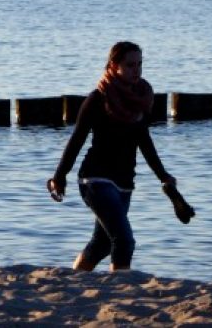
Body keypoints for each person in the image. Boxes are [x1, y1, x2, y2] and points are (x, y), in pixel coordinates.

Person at [47, 41, 179, 272]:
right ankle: (121, 288)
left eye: (139, 64)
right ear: (113, 65)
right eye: (130, 65)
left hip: (124, 181)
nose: (136, 70)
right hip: (95, 179)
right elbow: (76, 139)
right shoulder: (98, 98)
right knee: (124, 240)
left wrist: (162, 175)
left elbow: (145, 142)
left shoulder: (141, 98)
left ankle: (75, 279)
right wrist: (60, 175)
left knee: (102, 243)